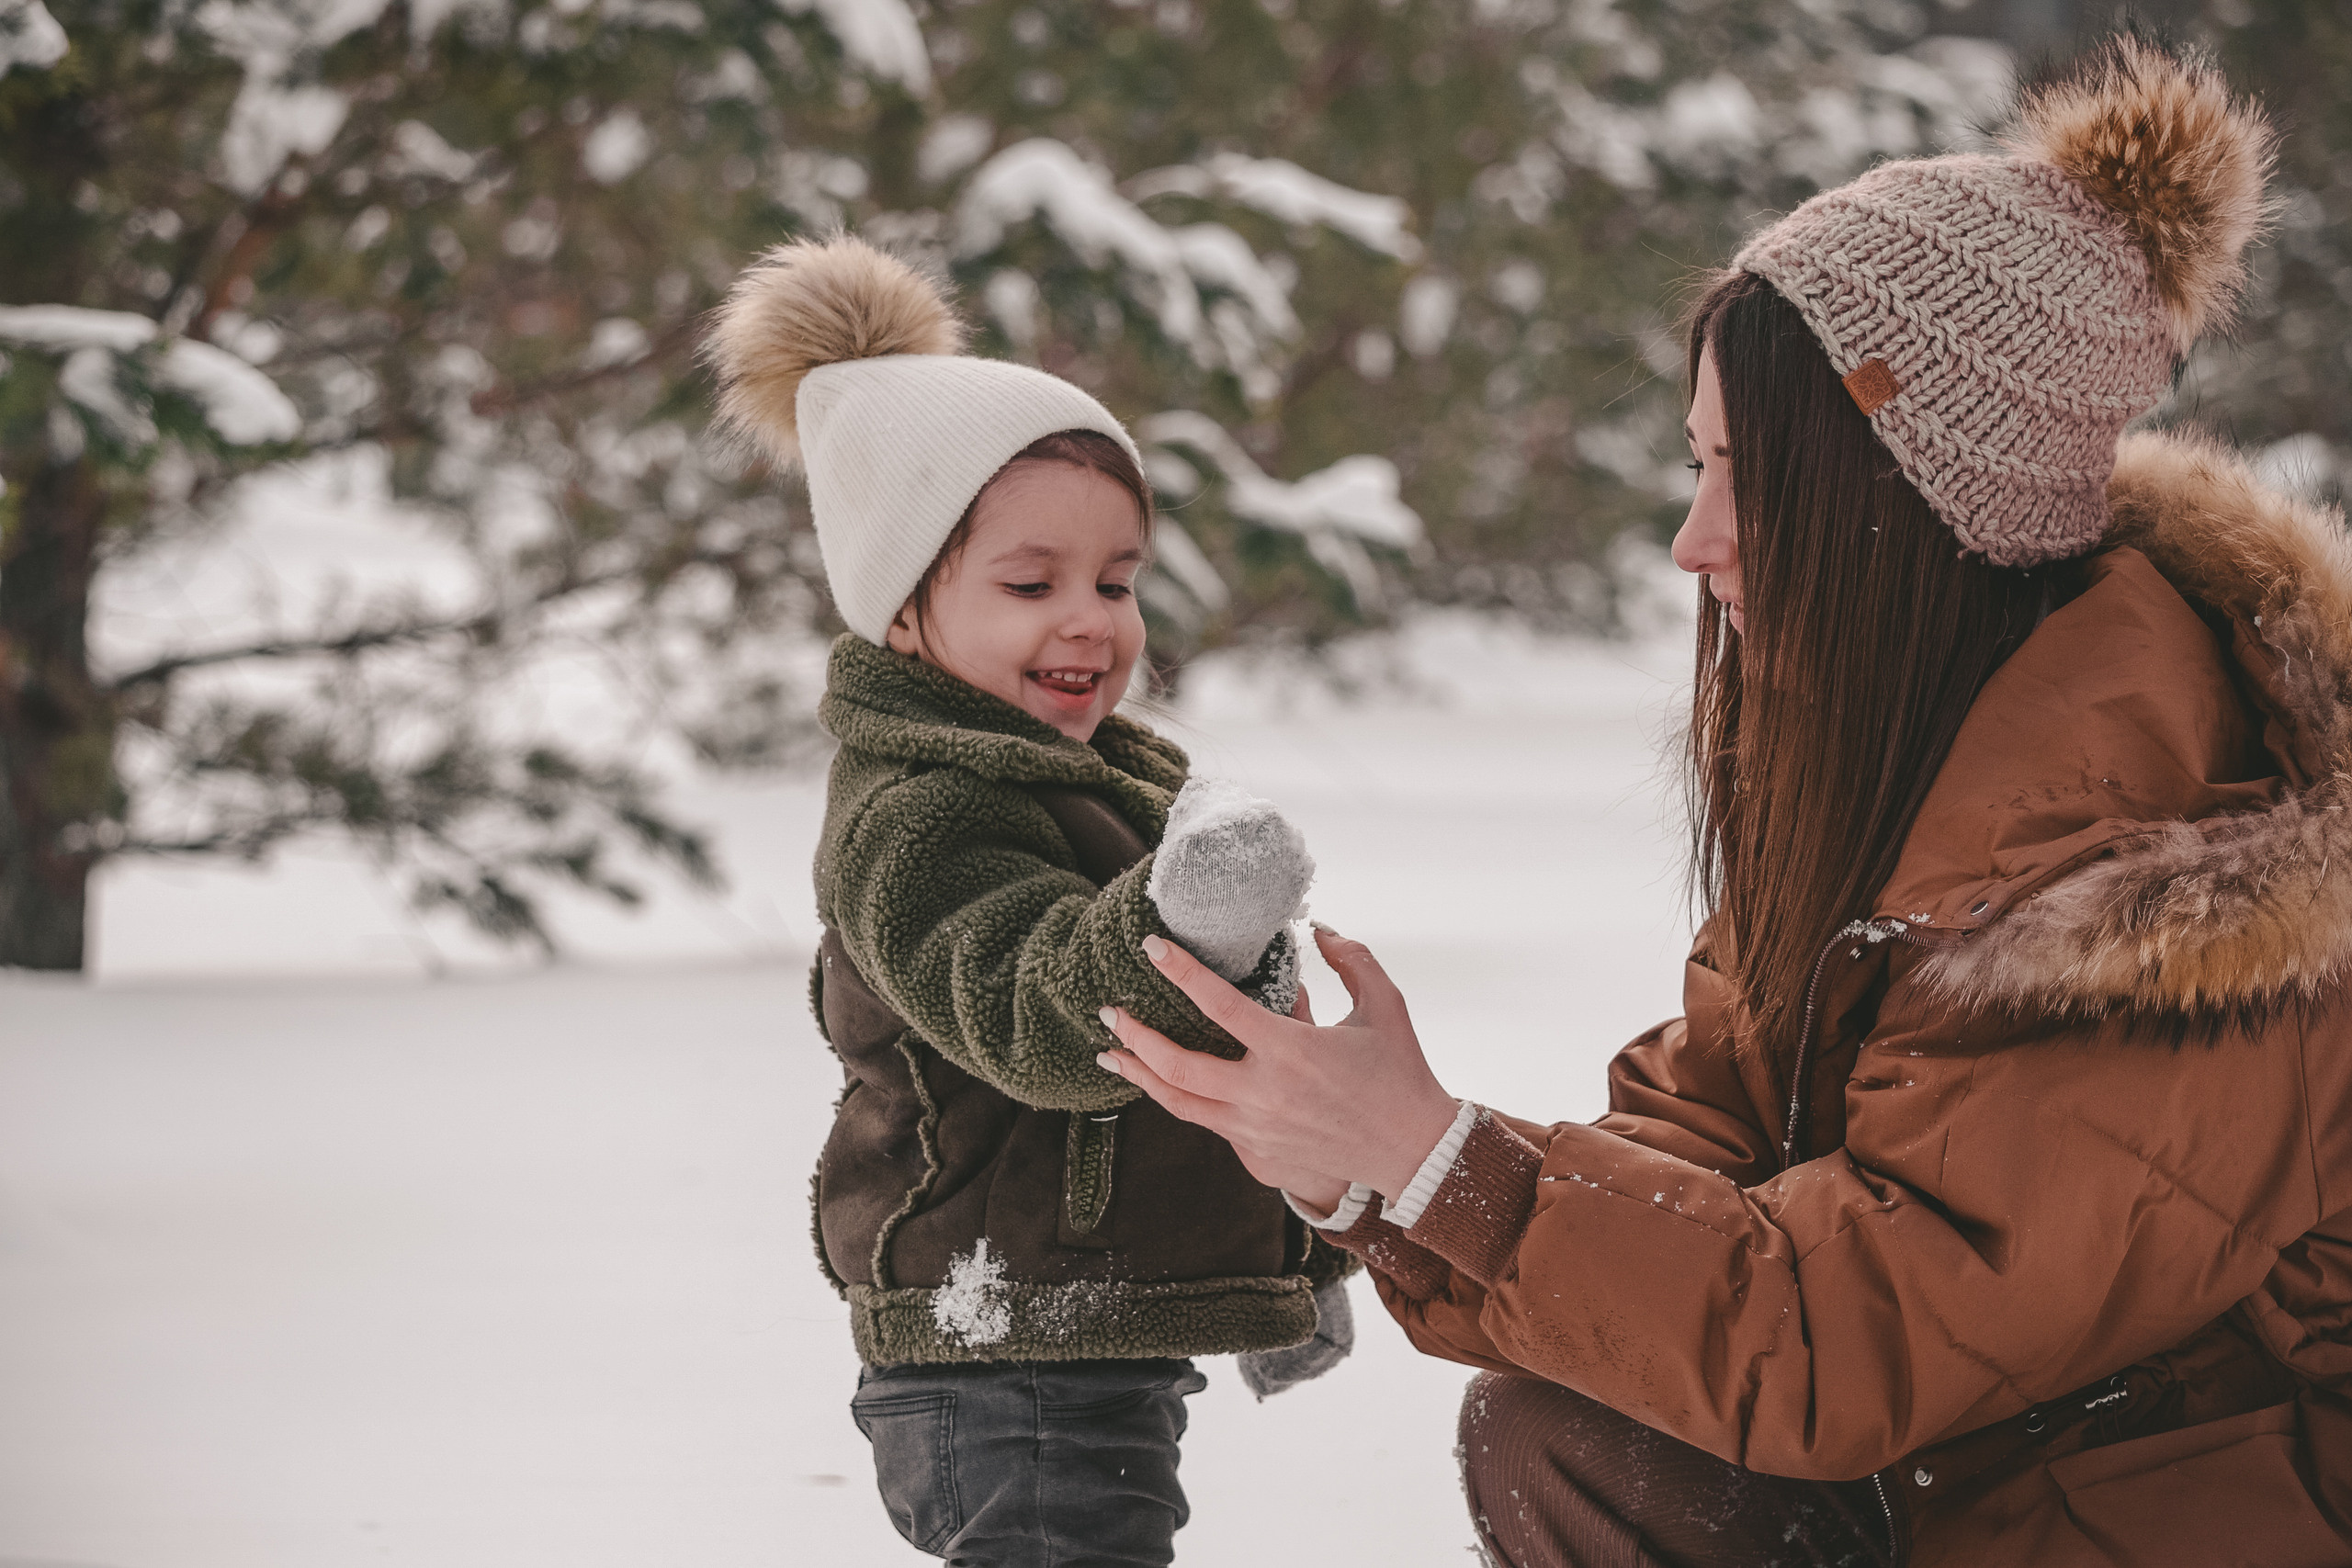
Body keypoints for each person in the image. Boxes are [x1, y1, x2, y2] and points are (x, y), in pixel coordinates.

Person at [1098, 37, 2352, 1568]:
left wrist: (1446, 1161)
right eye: (1695, 467)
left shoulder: (2180, 887)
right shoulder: (1917, 766)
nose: (1694, 542)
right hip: (1999, 1465)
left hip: (2199, 1518)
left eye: (1744, 475)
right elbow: (1701, 1150)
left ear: (1915, 501)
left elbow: (1854, 1329)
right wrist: (1371, 1170)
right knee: (1573, 1435)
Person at [703, 234, 1353, 1567]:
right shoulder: (919, 817)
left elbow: (1228, 1054)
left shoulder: (1095, 786)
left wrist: (1286, 1264)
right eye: (1030, 584)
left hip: (1079, 1330)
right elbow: (1041, 1021)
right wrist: (1183, 922)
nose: (1093, 623)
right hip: (998, 1349)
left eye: (1117, 583)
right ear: (902, 608)